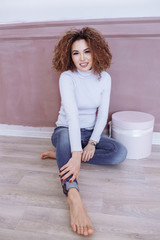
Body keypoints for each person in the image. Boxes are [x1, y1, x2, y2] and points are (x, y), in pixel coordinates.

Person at [40, 27, 127, 236]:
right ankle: (73, 194)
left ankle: (63, 157)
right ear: (69, 56)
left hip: (88, 133)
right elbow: (72, 117)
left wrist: (92, 143)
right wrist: (77, 154)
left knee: (119, 153)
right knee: (63, 137)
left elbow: (102, 115)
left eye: (87, 51)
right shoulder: (67, 77)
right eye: (76, 53)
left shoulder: (104, 78)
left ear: (96, 51)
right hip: (66, 130)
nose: (82, 58)